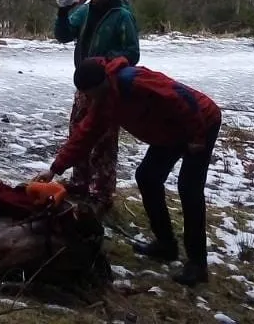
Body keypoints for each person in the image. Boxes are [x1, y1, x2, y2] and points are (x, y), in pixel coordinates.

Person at [34, 56, 222, 286]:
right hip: (169, 133)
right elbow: (84, 137)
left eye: (89, 93)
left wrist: (197, 136)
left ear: (100, 84)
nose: (87, 99)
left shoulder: (134, 81)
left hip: (201, 121)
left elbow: (183, 99)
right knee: (147, 178)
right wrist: (54, 169)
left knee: (189, 189)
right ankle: (166, 245)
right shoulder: (103, 103)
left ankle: (197, 264)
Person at [53, 0, 139, 214]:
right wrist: (63, 11)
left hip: (107, 84)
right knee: (78, 131)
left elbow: (132, 52)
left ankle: (101, 191)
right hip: (84, 83)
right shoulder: (86, 10)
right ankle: (80, 181)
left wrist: (108, 61)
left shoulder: (121, 14)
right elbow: (63, 34)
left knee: (104, 140)